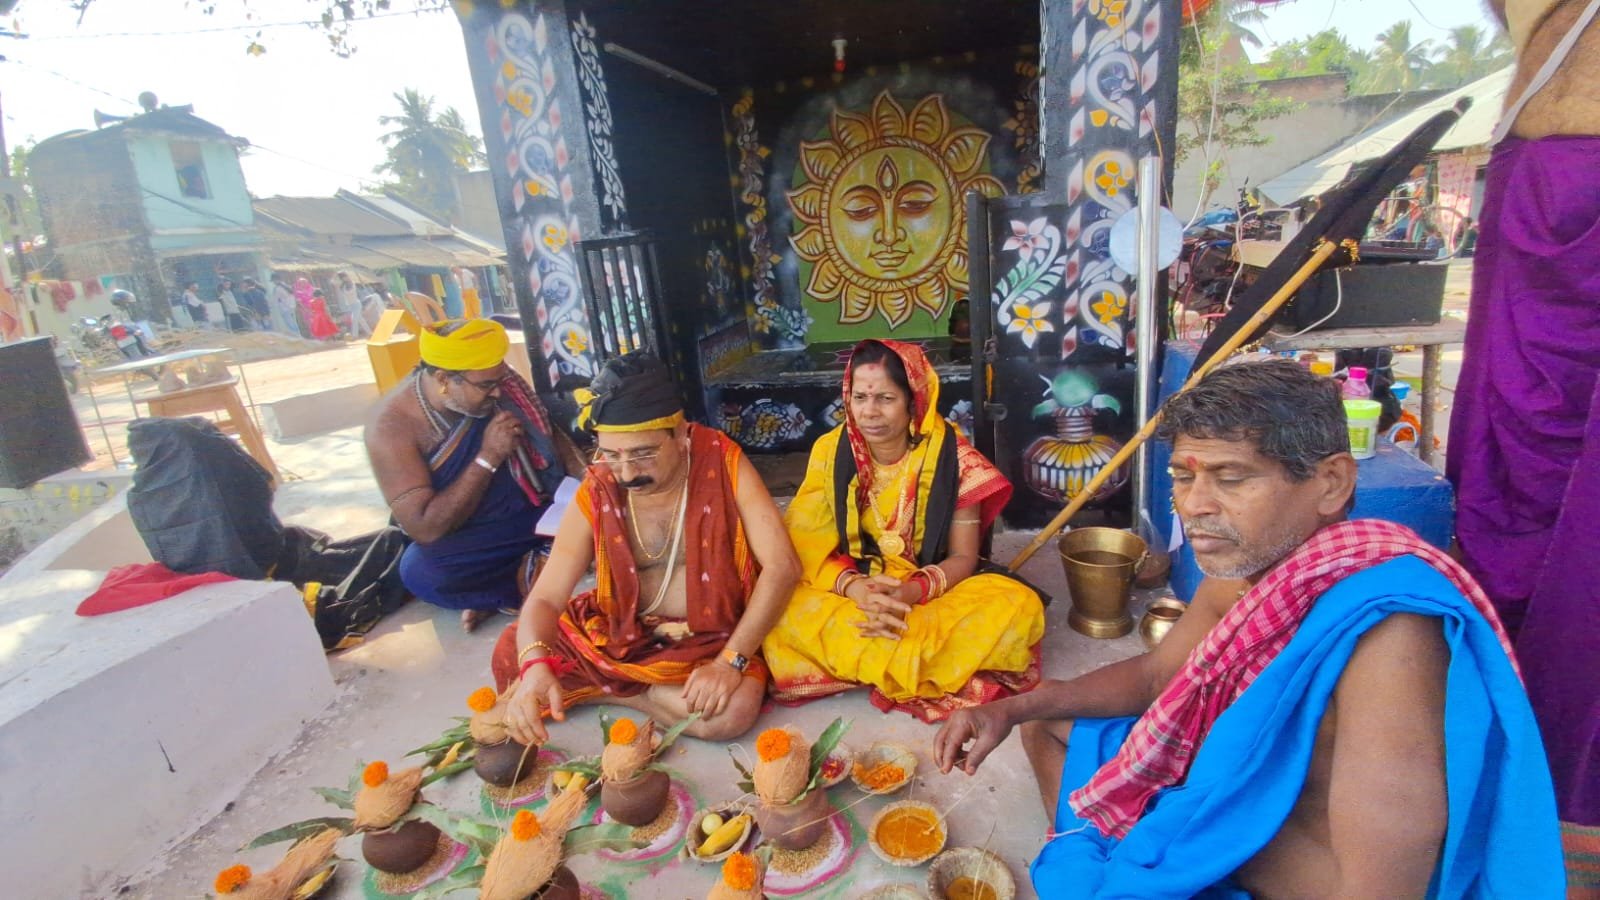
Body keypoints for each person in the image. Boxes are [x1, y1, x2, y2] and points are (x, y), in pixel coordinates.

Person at [933, 359, 1562, 897]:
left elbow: (1381, 880)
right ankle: (1095, 853)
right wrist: (1012, 706)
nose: (1195, 505)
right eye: (1184, 477)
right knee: (1045, 721)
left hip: (1253, 863)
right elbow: (1157, 676)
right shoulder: (1251, 568)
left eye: (1231, 478)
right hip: (1208, 799)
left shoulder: (1388, 636)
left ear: (1331, 483)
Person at [1450, 1, 1600, 885]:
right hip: (1537, 188)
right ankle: (1505, 773)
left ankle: (1564, 827)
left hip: (1554, 176)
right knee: (1504, 500)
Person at [494, 352, 800, 742]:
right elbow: (546, 597)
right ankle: (638, 690)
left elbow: (782, 566)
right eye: (611, 455)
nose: (626, 473)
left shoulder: (722, 460)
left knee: (730, 714)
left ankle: (612, 687)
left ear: (681, 434)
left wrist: (729, 662)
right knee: (516, 653)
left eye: (643, 454)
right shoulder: (600, 486)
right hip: (619, 634)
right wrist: (535, 666)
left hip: (712, 640)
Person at [762, 339, 1044, 722]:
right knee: (779, 602)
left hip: (930, 591)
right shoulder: (832, 450)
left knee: (1016, 604)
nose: (869, 412)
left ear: (914, 400)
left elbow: (964, 557)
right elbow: (804, 540)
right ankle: (912, 660)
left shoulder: (954, 458)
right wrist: (855, 588)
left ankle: (875, 657)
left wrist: (909, 593)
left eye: (885, 398)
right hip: (855, 585)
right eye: (860, 397)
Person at [364, 319, 567, 631]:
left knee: (605, 513)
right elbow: (425, 528)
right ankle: (535, 570)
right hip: (474, 532)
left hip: (534, 508)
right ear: (443, 379)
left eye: (500, 379)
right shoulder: (390, 428)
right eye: (486, 386)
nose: (498, 391)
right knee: (421, 572)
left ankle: (532, 572)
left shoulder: (491, 382)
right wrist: (488, 456)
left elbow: (548, 439)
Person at [335, 271, 370, 339]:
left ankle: (355, 336)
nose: (344, 279)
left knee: (354, 319)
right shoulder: (343, 285)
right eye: (342, 278)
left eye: (344, 277)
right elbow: (334, 282)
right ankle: (369, 332)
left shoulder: (351, 283)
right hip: (351, 305)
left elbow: (350, 292)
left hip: (356, 304)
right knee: (361, 320)